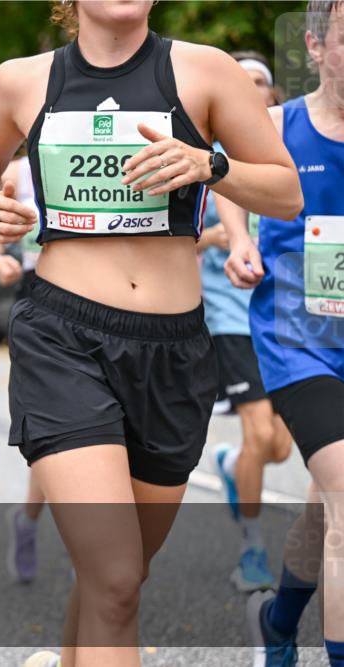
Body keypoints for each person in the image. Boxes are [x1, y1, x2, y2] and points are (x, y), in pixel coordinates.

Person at [0, 1, 303, 665]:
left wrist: (211, 166)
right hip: (62, 337)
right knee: (115, 580)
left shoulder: (207, 71)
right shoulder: (20, 81)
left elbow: (285, 191)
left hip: (172, 351)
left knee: (119, 577)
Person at [220, 3, 343, 665]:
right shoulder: (276, 125)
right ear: (316, 46)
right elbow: (226, 175)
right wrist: (239, 240)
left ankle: (279, 618)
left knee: (326, 511)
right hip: (299, 339)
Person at [198, 52, 293, 593]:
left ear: (274, 96)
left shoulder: (288, 155)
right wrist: (227, 239)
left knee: (278, 447)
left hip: (287, 317)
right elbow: (175, 238)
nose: (252, 89)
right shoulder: (203, 155)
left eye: (260, 82)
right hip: (229, 313)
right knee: (261, 430)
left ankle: (233, 462)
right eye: (241, 82)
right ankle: (251, 549)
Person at [0, 157, 44, 584]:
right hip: (42, 293)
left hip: (112, 294)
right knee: (58, 429)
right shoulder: (18, 171)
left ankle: (28, 518)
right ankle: (30, 521)